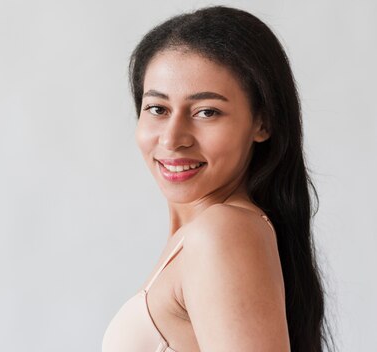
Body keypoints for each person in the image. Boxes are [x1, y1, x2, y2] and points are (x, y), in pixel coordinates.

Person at [102, 6, 334, 352]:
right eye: (158, 109)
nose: (172, 138)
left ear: (262, 123)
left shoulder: (224, 232)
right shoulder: (207, 235)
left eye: (206, 112)